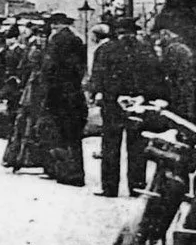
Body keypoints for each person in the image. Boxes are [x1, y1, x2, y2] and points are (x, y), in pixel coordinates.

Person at [86, 15, 163, 197]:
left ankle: (110, 187)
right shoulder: (145, 49)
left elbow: (98, 76)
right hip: (138, 104)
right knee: (137, 146)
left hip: (113, 103)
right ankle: (136, 186)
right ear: (134, 32)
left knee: (110, 145)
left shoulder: (105, 49)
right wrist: (143, 96)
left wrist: (100, 93)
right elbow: (155, 77)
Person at [37, 12, 89, 185]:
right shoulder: (76, 39)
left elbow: (49, 68)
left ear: (57, 25)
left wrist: (46, 88)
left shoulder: (57, 40)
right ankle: (74, 172)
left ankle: (67, 172)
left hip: (58, 95)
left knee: (60, 134)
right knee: (73, 136)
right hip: (74, 93)